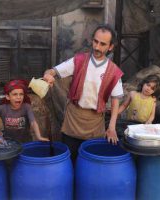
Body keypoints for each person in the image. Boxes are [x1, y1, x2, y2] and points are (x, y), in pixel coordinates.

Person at [43, 24, 124, 163]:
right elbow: (53, 71)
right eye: (95, 41)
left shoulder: (113, 72)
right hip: (73, 119)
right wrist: (48, 75)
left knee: (91, 162)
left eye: (103, 44)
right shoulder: (78, 60)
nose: (97, 47)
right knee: (70, 160)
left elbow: (116, 100)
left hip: (95, 123)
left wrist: (111, 128)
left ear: (110, 47)